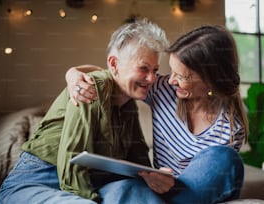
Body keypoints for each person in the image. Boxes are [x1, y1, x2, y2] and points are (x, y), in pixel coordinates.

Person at [0, 18, 172, 204]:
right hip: (38, 180)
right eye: (143, 68)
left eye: (155, 70)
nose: (151, 78)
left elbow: (139, 161)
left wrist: (153, 178)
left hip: (93, 182)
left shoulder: (129, 105)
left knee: (140, 194)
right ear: (114, 64)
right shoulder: (91, 87)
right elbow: (73, 161)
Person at [65, 24, 249, 203]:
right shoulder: (163, 90)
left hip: (190, 195)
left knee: (224, 158)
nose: (171, 80)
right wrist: (73, 73)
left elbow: (209, 183)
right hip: (153, 190)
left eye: (182, 76)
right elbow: (117, 74)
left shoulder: (230, 127)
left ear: (210, 80)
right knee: (123, 188)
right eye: (171, 71)